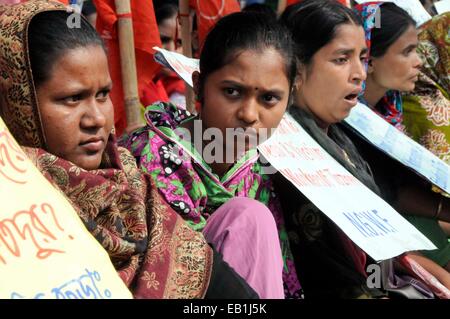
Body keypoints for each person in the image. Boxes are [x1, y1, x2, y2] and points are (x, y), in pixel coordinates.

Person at [0, 0, 262, 299]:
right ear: (15, 101)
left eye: (102, 95)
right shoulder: (13, 207)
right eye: (72, 98)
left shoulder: (131, 186)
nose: (97, 118)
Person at [120, 11, 303, 299]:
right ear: (199, 86)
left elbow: (278, 274)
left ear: (289, 99)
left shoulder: (256, 170)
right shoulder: (152, 155)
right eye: (231, 91)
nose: (249, 115)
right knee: (249, 218)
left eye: (269, 98)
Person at [353, 2, 450, 283]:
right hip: (391, 259)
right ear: (370, 58)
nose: (418, 61)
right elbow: (389, 196)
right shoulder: (346, 124)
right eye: (407, 51)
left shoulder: (389, 113)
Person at [141, 0, 186, 109]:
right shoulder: (135, 89)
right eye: (163, 40)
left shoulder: (181, 86)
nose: (171, 50)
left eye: (179, 42)